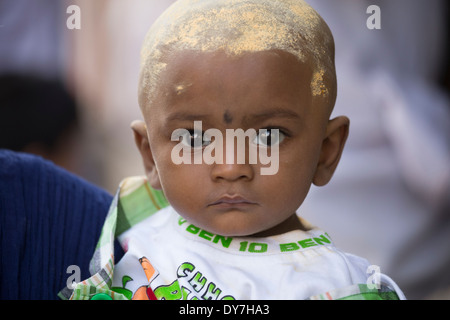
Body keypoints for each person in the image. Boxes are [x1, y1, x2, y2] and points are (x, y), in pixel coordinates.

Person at [59, 0, 405, 300]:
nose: (230, 167)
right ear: (150, 156)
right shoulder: (131, 220)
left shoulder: (335, 284)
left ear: (326, 152)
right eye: (193, 139)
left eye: (268, 136)